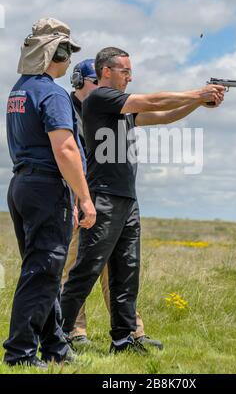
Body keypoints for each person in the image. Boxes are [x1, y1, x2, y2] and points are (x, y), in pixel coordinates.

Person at [61, 47, 225, 354]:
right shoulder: (100, 98)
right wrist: (197, 93)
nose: (130, 76)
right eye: (125, 71)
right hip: (104, 198)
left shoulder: (122, 108)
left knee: (126, 272)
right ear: (105, 72)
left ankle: (123, 341)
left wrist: (199, 103)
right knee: (85, 270)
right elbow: (154, 100)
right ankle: (56, 336)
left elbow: (163, 115)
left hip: (127, 199)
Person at [4, 18, 96, 368]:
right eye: (67, 52)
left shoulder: (19, 89)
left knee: (45, 269)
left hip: (23, 186)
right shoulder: (52, 93)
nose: (70, 59)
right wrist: (83, 198)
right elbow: (66, 149)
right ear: (54, 53)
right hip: (45, 187)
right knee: (43, 272)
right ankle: (20, 353)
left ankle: (56, 346)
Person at [61, 59, 162, 349]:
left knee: (118, 270)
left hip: (103, 200)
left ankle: (132, 333)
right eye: (94, 82)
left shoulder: (111, 108)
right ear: (79, 82)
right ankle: (74, 332)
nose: (101, 88)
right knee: (77, 268)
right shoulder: (64, 109)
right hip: (78, 200)